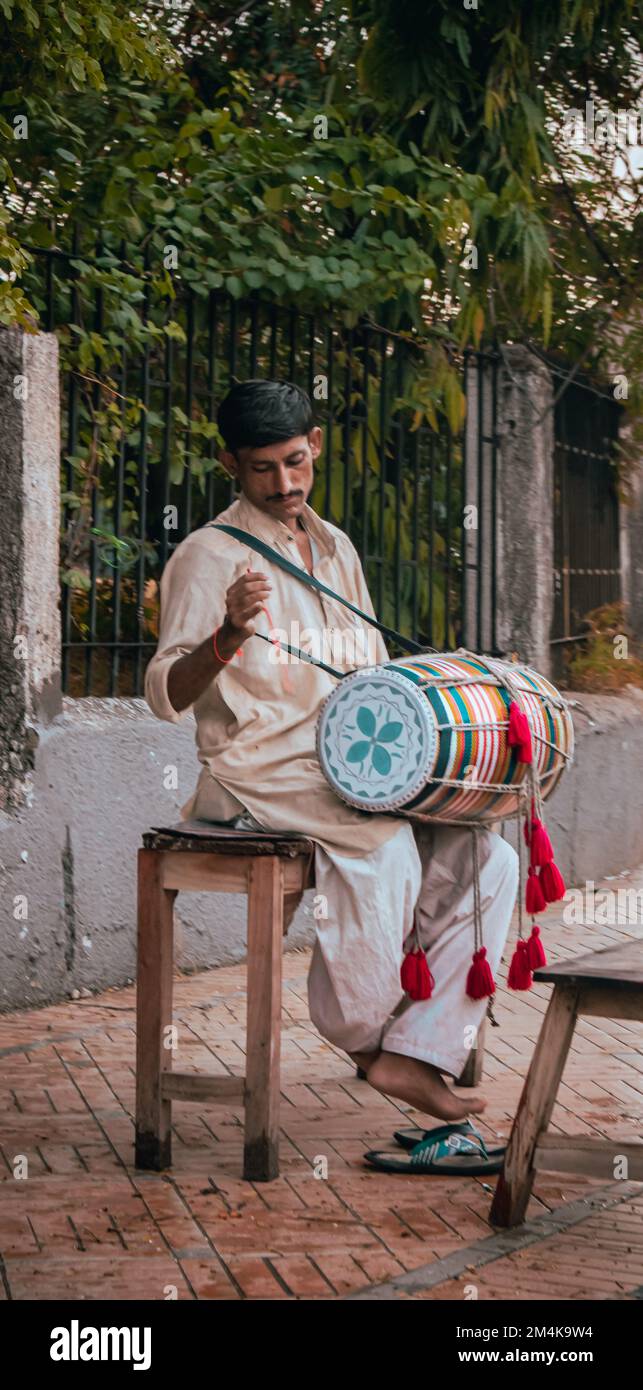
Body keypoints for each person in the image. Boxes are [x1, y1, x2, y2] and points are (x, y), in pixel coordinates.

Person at [144, 379, 519, 1121]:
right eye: (262, 469)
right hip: (258, 770)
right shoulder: (207, 555)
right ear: (230, 464)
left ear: (314, 446)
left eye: (294, 461)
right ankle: (363, 1040)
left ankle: (418, 1052)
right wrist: (226, 636)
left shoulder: (336, 546)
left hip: (349, 760)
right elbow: (163, 692)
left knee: (488, 856)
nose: (283, 483)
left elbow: (369, 670)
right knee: (383, 848)